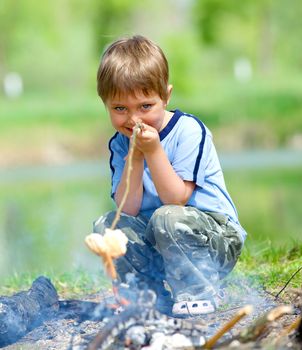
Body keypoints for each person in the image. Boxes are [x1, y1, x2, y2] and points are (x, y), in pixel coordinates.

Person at [93, 35, 247, 316]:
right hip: (162, 241)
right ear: (106, 103)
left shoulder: (189, 130)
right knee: (107, 226)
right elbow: (127, 208)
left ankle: (200, 289)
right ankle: (145, 294)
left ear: (166, 96)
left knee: (168, 215)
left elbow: (176, 198)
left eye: (145, 106)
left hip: (214, 240)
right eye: (119, 109)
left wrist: (152, 151)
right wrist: (135, 156)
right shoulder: (119, 143)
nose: (133, 119)